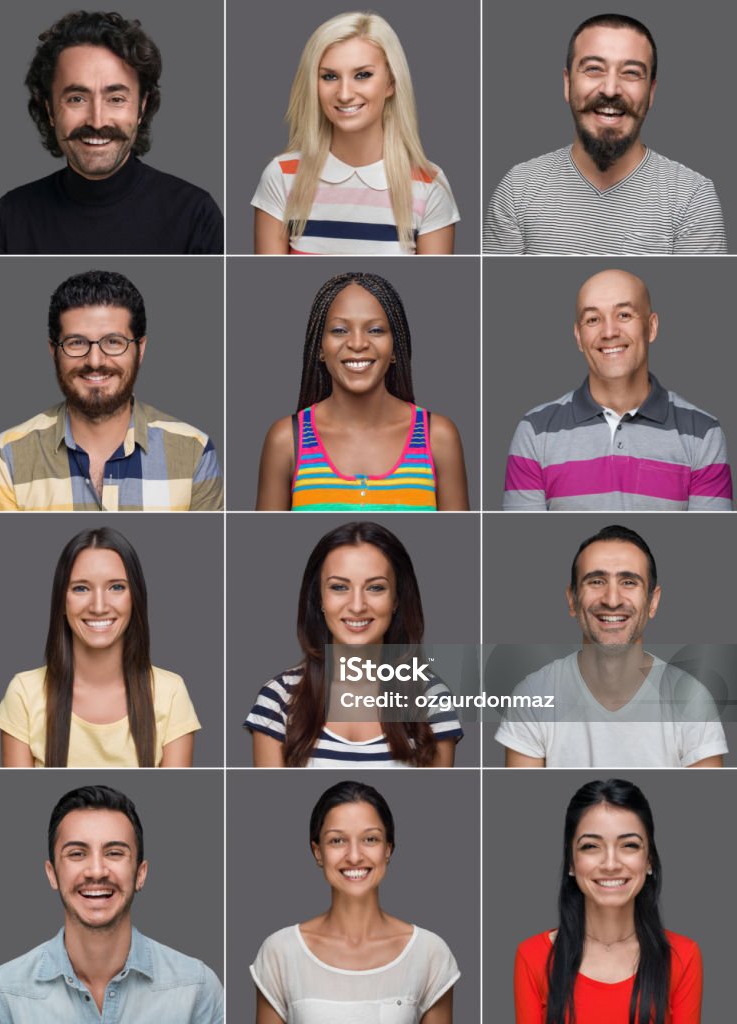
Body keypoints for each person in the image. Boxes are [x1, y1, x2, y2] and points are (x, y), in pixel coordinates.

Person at [0, 11, 223, 254]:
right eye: (76, 98)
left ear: (141, 107)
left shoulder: (195, 215)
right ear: (50, 110)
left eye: (116, 99)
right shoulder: (9, 218)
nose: (97, 121)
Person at [0, 269, 223, 511]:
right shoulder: (8, 455)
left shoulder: (194, 451)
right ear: (54, 350)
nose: (94, 361)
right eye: (76, 343)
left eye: (113, 342)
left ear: (140, 349)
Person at [0, 785, 224, 1023]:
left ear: (140, 873)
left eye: (114, 853)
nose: (96, 871)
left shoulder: (196, 988)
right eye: (77, 854)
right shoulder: (4, 992)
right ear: (52, 874)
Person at [485, 13, 726, 254]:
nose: (610, 89)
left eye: (631, 72)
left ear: (651, 91)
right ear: (567, 84)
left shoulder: (693, 198)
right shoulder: (519, 187)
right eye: (593, 69)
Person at [495, 524, 726, 768]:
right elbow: (524, 803)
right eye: (596, 581)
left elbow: (705, 803)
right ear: (572, 600)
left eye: (628, 582)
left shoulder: (689, 698)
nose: (612, 600)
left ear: (653, 601)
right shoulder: (534, 694)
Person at [503, 269, 732, 511]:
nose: (609, 332)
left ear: (651, 327)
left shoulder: (703, 433)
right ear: (578, 336)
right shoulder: (535, 432)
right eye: (593, 319)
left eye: (624, 315)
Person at [245, 521, 462, 767]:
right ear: (319, 598)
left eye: (375, 587)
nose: (357, 606)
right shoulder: (278, 698)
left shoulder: (431, 697)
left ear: (396, 599)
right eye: (339, 587)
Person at [256, 272, 468, 511]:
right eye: (339, 330)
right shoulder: (285, 440)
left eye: (376, 330)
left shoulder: (437, 436)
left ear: (395, 348)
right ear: (320, 349)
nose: (357, 344)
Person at [252, 780, 458, 1023]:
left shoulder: (429, 953)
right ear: (318, 852)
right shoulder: (281, 952)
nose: (354, 856)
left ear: (388, 849)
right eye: (337, 841)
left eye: (370, 839)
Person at [252, 12, 458, 255]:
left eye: (362, 75)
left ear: (391, 82)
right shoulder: (281, 177)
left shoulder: (430, 186)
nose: (345, 94)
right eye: (329, 76)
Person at [0, 527, 200, 767]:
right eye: (81, 588)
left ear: (136, 598)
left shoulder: (171, 692)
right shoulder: (24, 693)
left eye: (116, 587)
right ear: (61, 600)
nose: (99, 606)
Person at [514, 779, 702, 1023]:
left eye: (629, 845)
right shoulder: (533, 957)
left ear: (649, 861)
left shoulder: (683, 957)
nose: (611, 864)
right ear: (571, 862)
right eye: (591, 846)